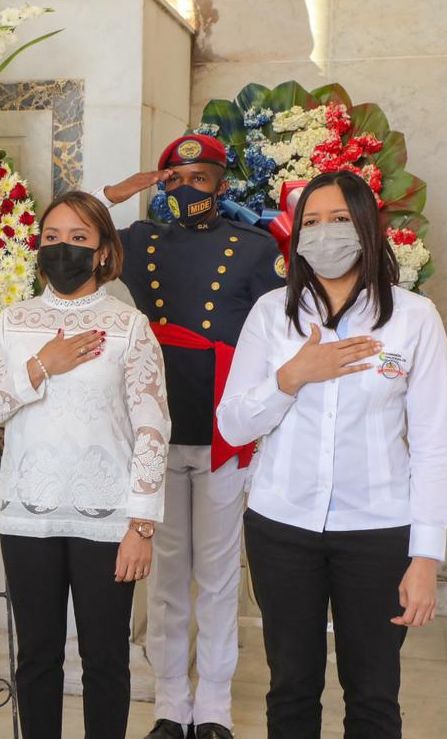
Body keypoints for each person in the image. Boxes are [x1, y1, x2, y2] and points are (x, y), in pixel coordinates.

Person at [217, 170, 447, 738]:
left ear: (369, 229)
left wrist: (426, 558)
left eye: (341, 220)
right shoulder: (273, 314)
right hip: (282, 525)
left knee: (373, 696)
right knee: (291, 690)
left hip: (378, 529)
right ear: (296, 236)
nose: (326, 234)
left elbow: (433, 443)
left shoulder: (413, 318)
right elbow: (231, 421)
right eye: (313, 222)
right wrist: (293, 376)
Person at [94, 134, 286, 739]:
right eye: (175, 180)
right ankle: (170, 706)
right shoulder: (142, 242)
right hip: (159, 431)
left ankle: (216, 709)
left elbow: (277, 332)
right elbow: (76, 244)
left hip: (224, 431)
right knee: (169, 578)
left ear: (222, 185)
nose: (187, 191)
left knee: (220, 576)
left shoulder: (255, 250)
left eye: (199, 179)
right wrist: (126, 191)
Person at [0, 191, 170, 739]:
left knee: (106, 659)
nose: (63, 249)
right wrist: (39, 366)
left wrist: (141, 524)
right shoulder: (14, 322)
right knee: (36, 657)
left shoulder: (129, 327)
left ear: (103, 251)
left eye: (78, 238)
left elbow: (153, 427)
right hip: (27, 515)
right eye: (52, 238)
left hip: (107, 519)